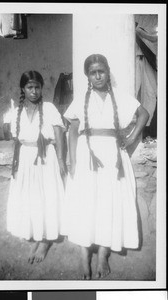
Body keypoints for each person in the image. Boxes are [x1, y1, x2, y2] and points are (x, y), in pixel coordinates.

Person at [63, 54, 149, 279]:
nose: (98, 75)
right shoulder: (81, 99)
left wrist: (130, 139)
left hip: (112, 156)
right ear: (87, 76)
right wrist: (72, 162)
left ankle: (102, 254)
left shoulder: (120, 96)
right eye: (93, 72)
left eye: (101, 71)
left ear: (107, 71)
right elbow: (72, 132)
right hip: (86, 155)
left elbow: (143, 114)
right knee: (86, 203)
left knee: (108, 203)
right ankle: (84, 255)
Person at [7, 70, 66, 263]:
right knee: (30, 198)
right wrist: (15, 165)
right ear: (23, 89)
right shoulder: (17, 112)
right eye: (30, 87)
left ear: (42, 88)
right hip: (25, 159)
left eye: (37, 87)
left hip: (45, 159)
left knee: (45, 197)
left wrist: (61, 161)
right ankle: (35, 233)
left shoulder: (49, 109)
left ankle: (45, 241)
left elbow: (59, 136)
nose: (34, 91)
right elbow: (17, 142)